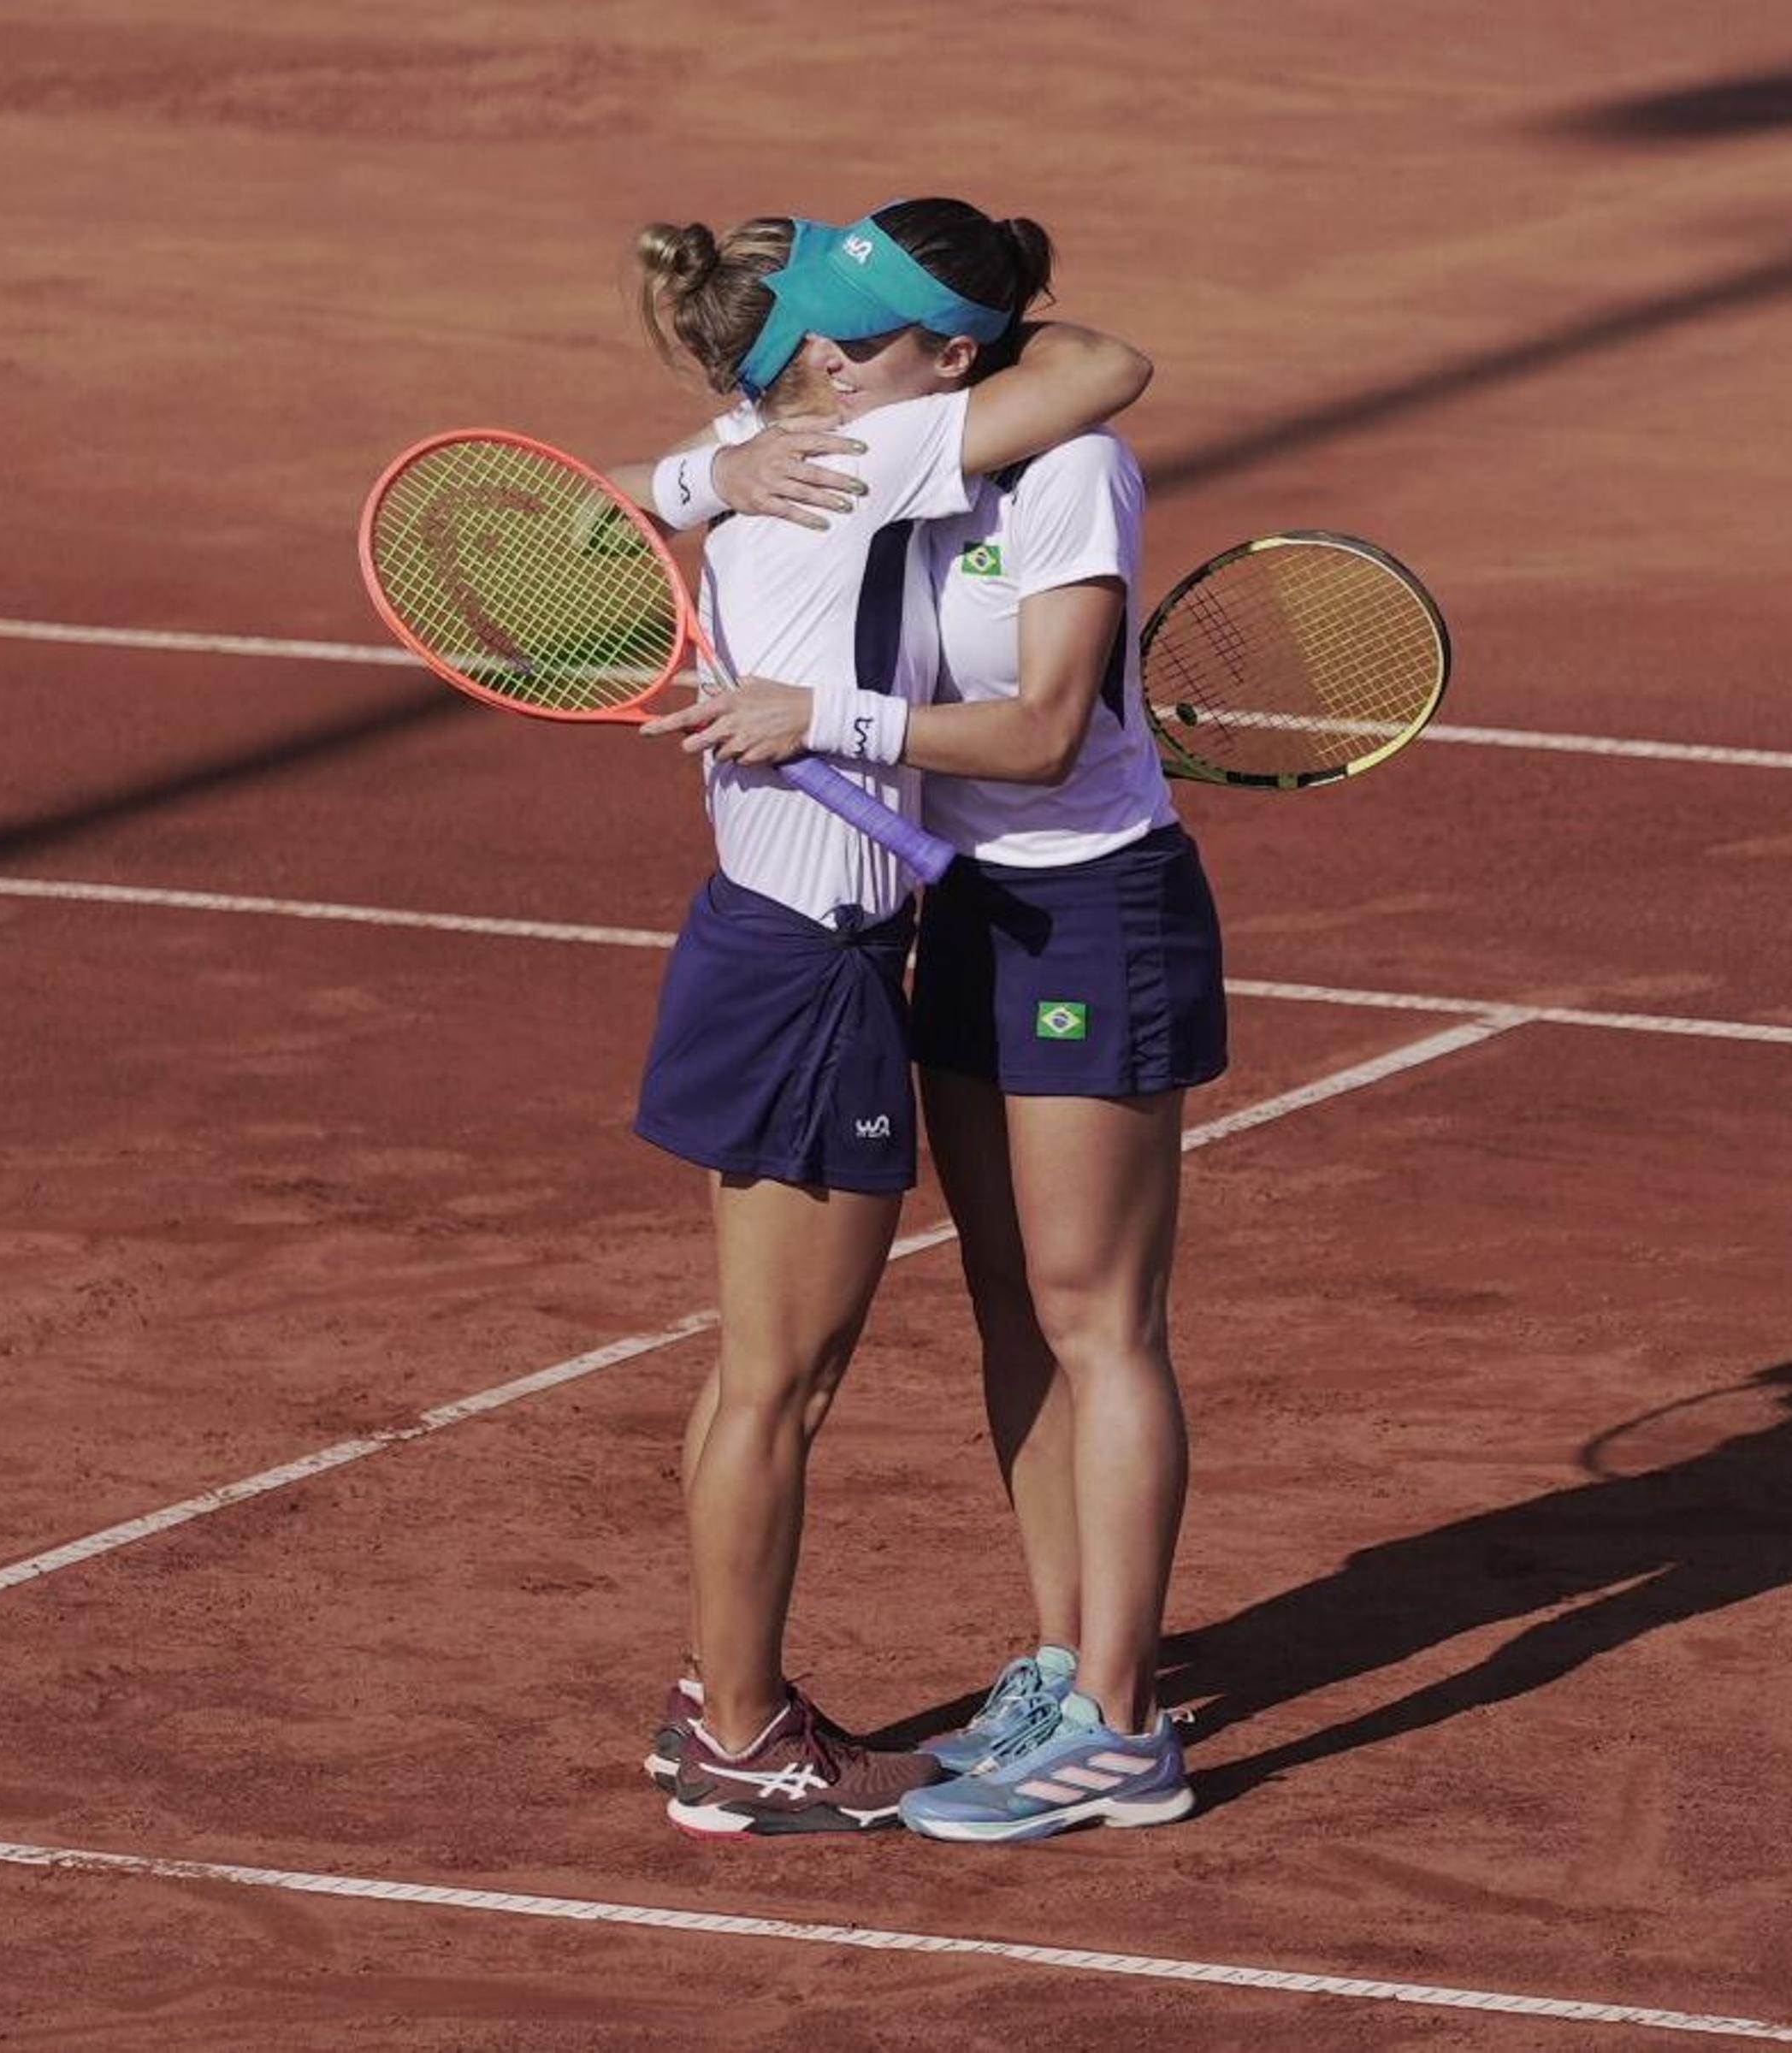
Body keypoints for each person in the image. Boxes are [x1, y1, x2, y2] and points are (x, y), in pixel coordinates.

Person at [650, 202, 1219, 1843]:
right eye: (812, 334)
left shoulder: (1035, 464)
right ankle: (968, 1682)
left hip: (1067, 907)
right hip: (898, 930)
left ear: (954, 359)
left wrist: (812, 704)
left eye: (861, 334)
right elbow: (630, 490)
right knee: (962, 1318)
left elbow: (1043, 727)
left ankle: (1110, 1713)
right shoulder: (838, 446)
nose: (827, 356)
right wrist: (709, 472)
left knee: (1081, 1308)